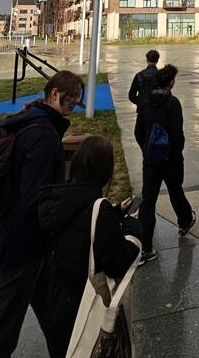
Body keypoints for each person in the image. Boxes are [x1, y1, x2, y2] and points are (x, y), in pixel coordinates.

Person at [0, 71, 83, 358]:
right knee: (3, 331)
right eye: (70, 101)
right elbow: (36, 196)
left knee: (57, 318)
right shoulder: (43, 136)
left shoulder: (34, 124)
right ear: (55, 94)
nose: (73, 107)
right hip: (26, 244)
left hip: (35, 243)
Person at [38, 135, 143, 358]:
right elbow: (118, 261)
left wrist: (115, 213)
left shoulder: (59, 197)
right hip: (84, 309)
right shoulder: (98, 209)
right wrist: (132, 225)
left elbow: (80, 226)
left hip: (56, 299)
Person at [133, 63, 195, 265]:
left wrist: (147, 149)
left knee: (148, 199)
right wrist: (174, 151)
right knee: (175, 189)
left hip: (150, 160)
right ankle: (185, 221)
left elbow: (138, 132)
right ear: (170, 82)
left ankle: (145, 246)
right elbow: (177, 135)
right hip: (170, 159)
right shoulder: (173, 103)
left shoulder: (145, 104)